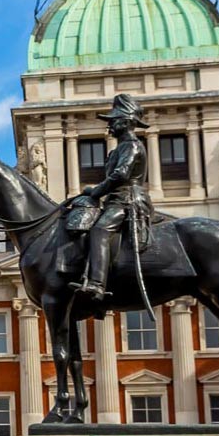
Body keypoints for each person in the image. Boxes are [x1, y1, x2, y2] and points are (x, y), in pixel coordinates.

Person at [67, 95, 152, 301]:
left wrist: (95, 192)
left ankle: (97, 284)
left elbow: (121, 174)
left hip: (128, 200)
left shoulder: (131, 145)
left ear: (126, 121)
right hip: (117, 199)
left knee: (100, 229)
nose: (110, 125)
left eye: (114, 120)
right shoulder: (119, 148)